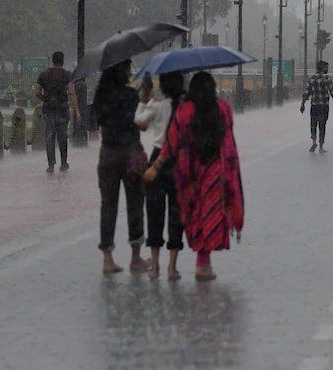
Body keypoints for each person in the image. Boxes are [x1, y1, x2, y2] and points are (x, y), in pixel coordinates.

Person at [145, 72, 244, 282]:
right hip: (216, 171)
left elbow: (171, 142)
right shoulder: (223, 108)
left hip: (190, 173)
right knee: (210, 214)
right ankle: (203, 263)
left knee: (196, 215)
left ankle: (194, 261)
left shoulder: (184, 110)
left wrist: (156, 166)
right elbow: (228, 140)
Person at [93, 59, 148, 275]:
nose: (130, 72)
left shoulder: (102, 97)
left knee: (108, 205)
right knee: (135, 203)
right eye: (127, 68)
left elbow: (97, 122)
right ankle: (136, 257)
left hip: (108, 154)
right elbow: (140, 123)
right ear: (121, 72)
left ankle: (108, 258)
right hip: (131, 153)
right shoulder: (130, 96)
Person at [135, 71, 185, 280]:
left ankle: (154, 266)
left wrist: (144, 100)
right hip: (179, 162)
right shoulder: (185, 108)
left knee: (154, 212)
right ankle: (172, 267)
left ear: (162, 87)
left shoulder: (156, 106)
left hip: (157, 160)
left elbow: (140, 123)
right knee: (176, 214)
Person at [34, 51, 80, 173]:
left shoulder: (44, 75)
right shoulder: (67, 75)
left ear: (53, 61)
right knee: (62, 136)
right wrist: (77, 111)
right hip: (62, 109)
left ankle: (51, 165)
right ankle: (63, 163)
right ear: (62, 61)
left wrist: (45, 99)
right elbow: (71, 92)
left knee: (50, 136)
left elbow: (37, 92)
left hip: (49, 109)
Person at [300, 60, 333, 152]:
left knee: (313, 124)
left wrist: (303, 104)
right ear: (322, 68)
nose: (327, 69)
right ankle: (321, 147)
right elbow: (332, 91)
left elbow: (307, 92)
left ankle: (314, 141)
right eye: (326, 67)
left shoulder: (312, 78)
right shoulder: (327, 78)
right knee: (322, 126)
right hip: (324, 106)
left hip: (314, 106)